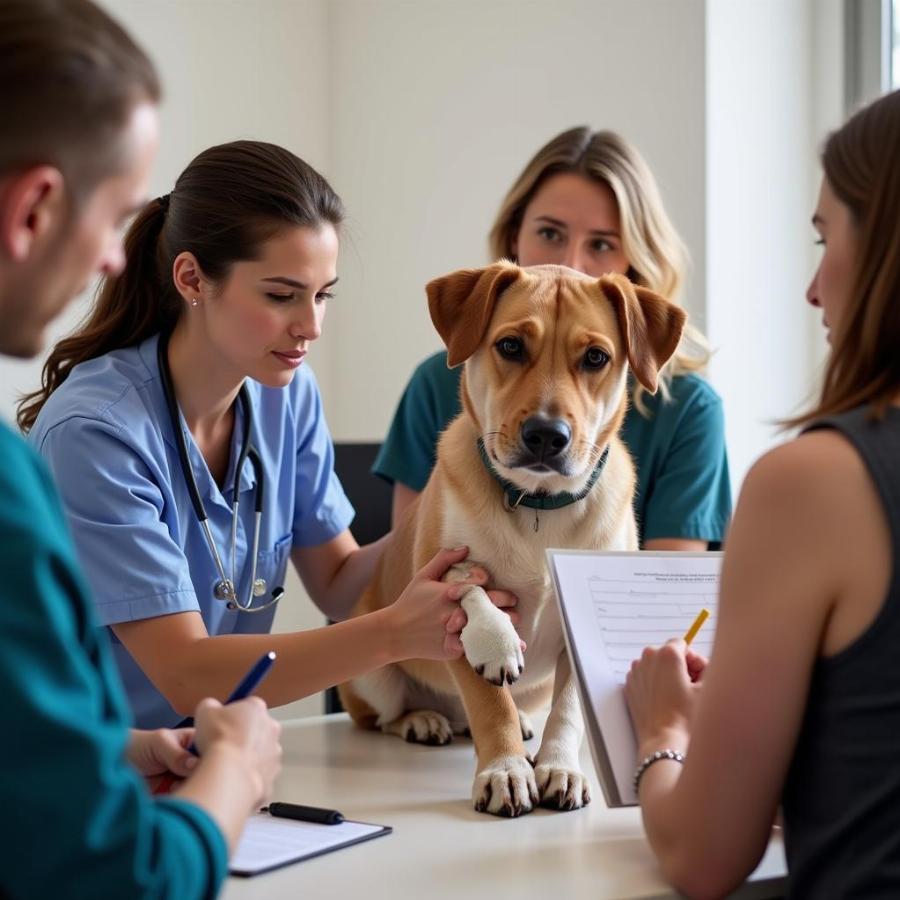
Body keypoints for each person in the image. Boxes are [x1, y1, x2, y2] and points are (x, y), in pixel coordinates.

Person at [19, 140, 514, 731]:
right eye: (282, 295)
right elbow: (186, 675)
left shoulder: (287, 394)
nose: (311, 327)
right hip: (83, 766)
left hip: (206, 753)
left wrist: (460, 488)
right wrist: (390, 634)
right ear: (192, 278)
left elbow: (338, 583)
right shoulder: (94, 434)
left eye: (322, 295)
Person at [0, 0, 281, 896]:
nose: (121, 262)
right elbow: (117, 877)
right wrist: (232, 775)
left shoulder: (283, 398)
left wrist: (110, 748)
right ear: (34, 209)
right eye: (118, 217)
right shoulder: (49, 460)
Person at [624, 87, 900, 899]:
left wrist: (664, 734)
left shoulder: (817, 483)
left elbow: (701, 859)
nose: (815, 289)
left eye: (826, 238)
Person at [373, 127, 731, 549]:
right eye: (550, 234)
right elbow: (411, 570)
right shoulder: (437, 380)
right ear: (513, 235)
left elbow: (658, 603)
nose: (569, 261)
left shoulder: (689, 409)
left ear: (635, 258)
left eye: (601, 243)